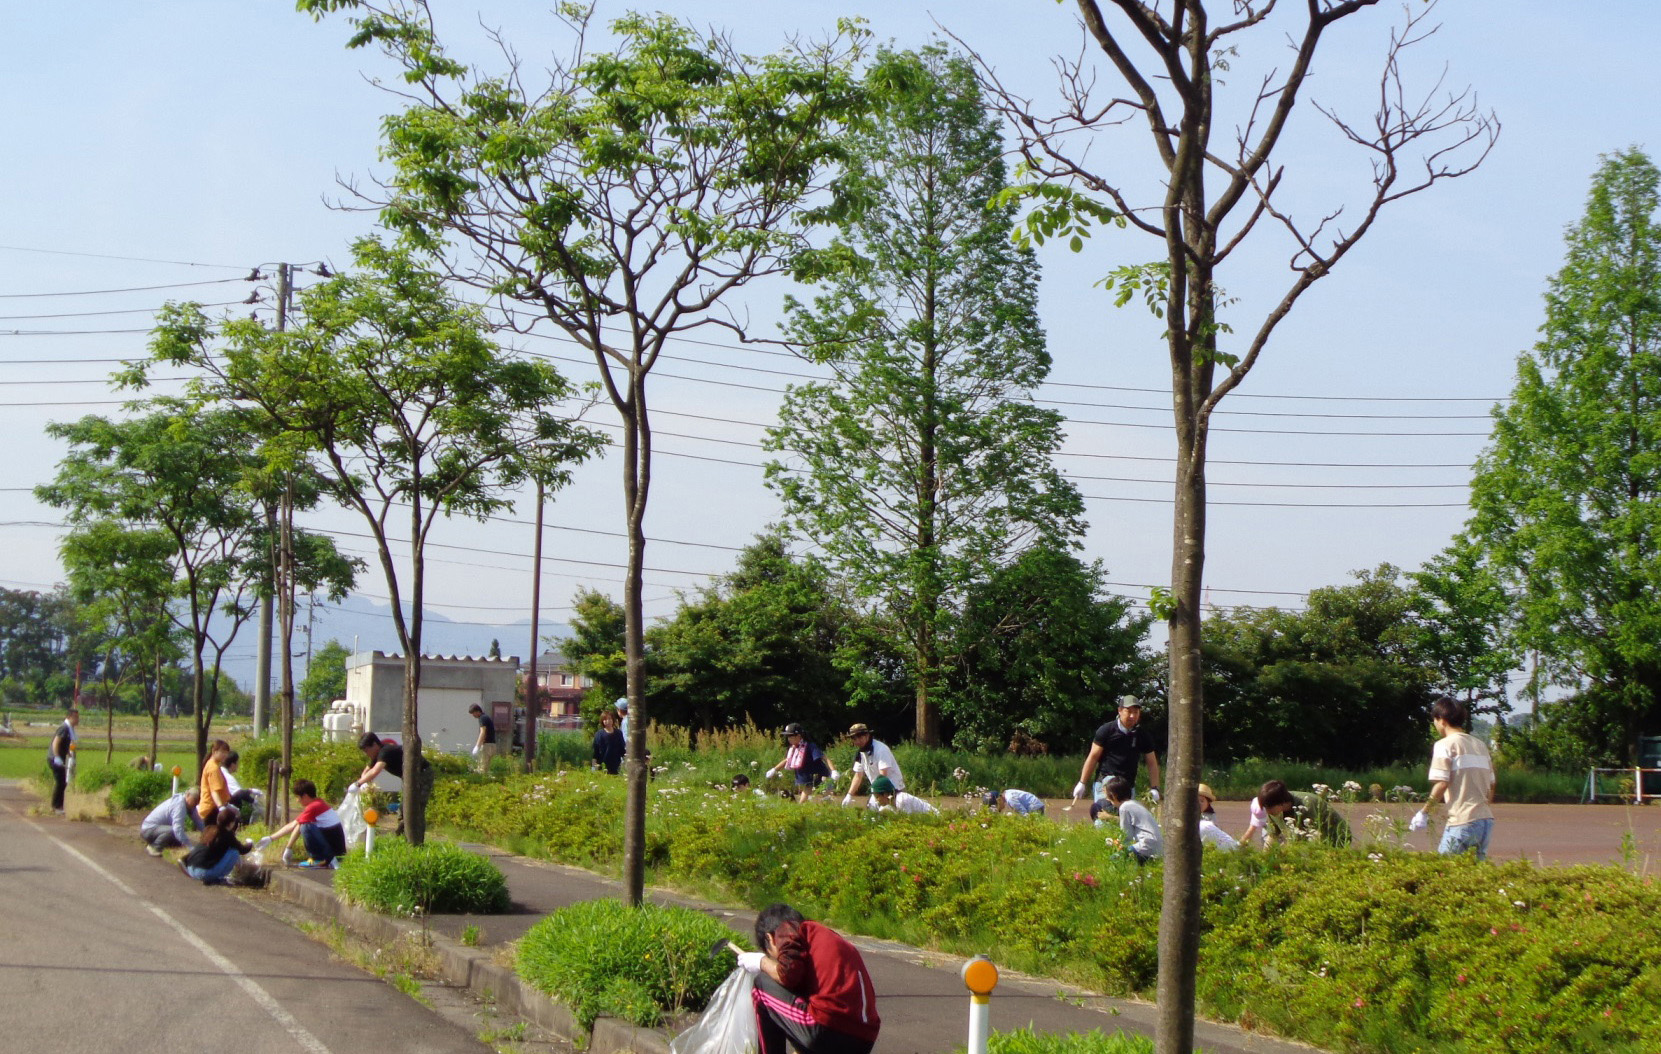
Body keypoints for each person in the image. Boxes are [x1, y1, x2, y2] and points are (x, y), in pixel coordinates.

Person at [737, 903, 880, 1054]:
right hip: (864, 1040)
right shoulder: (824, 938)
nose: (778, 961)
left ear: (770, 938)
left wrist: (761, 962)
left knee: (762, 985)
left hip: (826, 1030)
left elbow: (787, 974)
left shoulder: (786, 930)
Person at [1410, 695, 1496, 860]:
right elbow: (1492, 784)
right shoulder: (1480, 745)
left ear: (1441, 720)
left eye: (1435, 720)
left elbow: (1442, 783)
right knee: (1476, 872)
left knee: (1444, 868)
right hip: (1485, 821)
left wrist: (1424, 812)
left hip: (1462, 822)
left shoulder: (1445, 745)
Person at [1072, 696, 1161, 806]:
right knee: (1104, 815)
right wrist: (1082, 782)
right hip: (1106, 783)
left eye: (1136, 712)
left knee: (1126, 816)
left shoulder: (1142, 735)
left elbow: (1152, 763)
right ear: (1120, 710)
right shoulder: (1106, 730)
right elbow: (1093, 757)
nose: (1132, 716)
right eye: (1129, 711)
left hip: (1127, 786)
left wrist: (1155, 787)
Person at [348, 732, 434, 832]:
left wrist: (357, 784)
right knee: (404, 808)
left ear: (374, 745)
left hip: (422, 774)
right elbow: (367, 770)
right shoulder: (377, 755)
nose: (366, 754)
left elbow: (375, 771)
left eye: (366, 750)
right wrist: (363, 783)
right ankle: (403, 833)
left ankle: (416, 836)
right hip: (410, 779)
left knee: (416, 807)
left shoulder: (386, 751)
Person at [257, 779, 348, 868]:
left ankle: (318, 859)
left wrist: (272, 839)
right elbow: (298, 824)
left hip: (334, 853)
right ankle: (323, 859)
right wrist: (287, 847)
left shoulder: (314, 807)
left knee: (306, 827)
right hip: (336, 852)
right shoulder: (319, 803)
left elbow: (293, 825)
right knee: (304, 825)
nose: (297, 800)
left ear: (305, 796)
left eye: (298, 797)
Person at [1254, 779, 1351, 847]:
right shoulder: (1273, 811)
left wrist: (1288, 850)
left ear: (1282, 803)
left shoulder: (1306, 805)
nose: (1267, 811)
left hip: (1336, 837)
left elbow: (1314, 836)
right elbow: (1272, 836)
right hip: (1308, 840)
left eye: (1269, 808)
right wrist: (1265, 860)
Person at [181, 804, 253, 885]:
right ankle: (219, 878)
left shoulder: (208, 829)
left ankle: (207, 875)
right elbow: (243, 850)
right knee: (234, 852)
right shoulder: (227, 834)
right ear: (231, 823)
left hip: (190, 869)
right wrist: (250, 843)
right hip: (204, 873)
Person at [765, 723, 833, 803]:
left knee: (826, 799)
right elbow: (787, 760)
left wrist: (834, 771)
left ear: (798, 736)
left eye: (790, 736)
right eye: (788, 736)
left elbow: (825, 758)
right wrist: (774, 770)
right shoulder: (793, 748)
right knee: (806, 794)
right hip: (807, 779)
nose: (788, 739)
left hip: (821, 777)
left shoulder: (810, 746)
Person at [841, 723, 902, 807]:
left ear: (867, 735)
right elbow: (858, 775)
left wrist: (876, 794)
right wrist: (849, 795)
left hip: (893, 790)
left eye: (860, 737)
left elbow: (883, 775)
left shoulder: (880, 750)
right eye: (854, 739)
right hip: (878, 791)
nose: (857, 741)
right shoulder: (861, 753)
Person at [1104, 776, 1163, 862]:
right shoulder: (1135, 804)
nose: (1107, 799)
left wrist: (1116, 843)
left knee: (1114, 859)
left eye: (1108, 796)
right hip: (1157, 846)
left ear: (1114, 795)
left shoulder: (1124, 808)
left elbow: (1126, 835)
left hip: (1146, 845)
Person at [140, 788, 203, 855]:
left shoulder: (188, 804)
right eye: (195, 800)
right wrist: (190, 847)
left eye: (198, 801)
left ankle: (161, 843)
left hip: (157, 829)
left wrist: (207, 834)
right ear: (188, 795)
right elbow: (177, 829)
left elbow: (198, 821)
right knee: (174, 831)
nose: (196, 803)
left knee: (179, 842)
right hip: (148, 830)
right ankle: (154, 847)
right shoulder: (179, 805)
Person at [47, 707, 79, 814]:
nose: (78, 720)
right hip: (55, 759)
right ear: (69, 717)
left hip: (59, 758)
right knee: (60, 782)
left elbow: (65, 744)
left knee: (62, 783)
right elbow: (56, 743)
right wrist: (57, 757)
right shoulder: (64, 728)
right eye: (76, 717)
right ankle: (56, 806)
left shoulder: (69, 729)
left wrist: (69, 754)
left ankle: (57, 806)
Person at [197, 739, 233, 825]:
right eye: (222, 752)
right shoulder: (213, 768)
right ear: (214, 751)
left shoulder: (212, 764)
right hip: (212, 808)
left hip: (210, 808)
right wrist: (221, 807)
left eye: (226, 753)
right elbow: (214, 791)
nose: (225, 755)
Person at [1195, 783, 1239, 850]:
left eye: (1202, 801)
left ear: (1208, 803)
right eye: (1196, 801)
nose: (1198, 804)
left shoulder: (1209, 817)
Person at [870, 775, 936, 815]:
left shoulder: (902, 800)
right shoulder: (889, 803)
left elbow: (907, 822)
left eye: (877, 797)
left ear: (885, 794)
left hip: (934, 818)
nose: (876, 800)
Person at [592, 707, 626, 775]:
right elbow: (595, 752)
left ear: (613, 720)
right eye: (605, 719)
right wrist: (594, 767)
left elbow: (622, 750)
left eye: (610, 719)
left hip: (616, 765)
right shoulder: (599, 734)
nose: (608, 721)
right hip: (602, 765)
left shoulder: (618, 733)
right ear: (602, 721)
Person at [469, 703, 498, 771]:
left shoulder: (482, 718)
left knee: (482, 769)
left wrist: (477, 746)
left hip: (487, 746)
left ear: (477, 711)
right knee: (487, 768)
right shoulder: (486, 717)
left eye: (473, 713)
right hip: (492, 745)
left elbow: (482, 732)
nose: (473, 715)